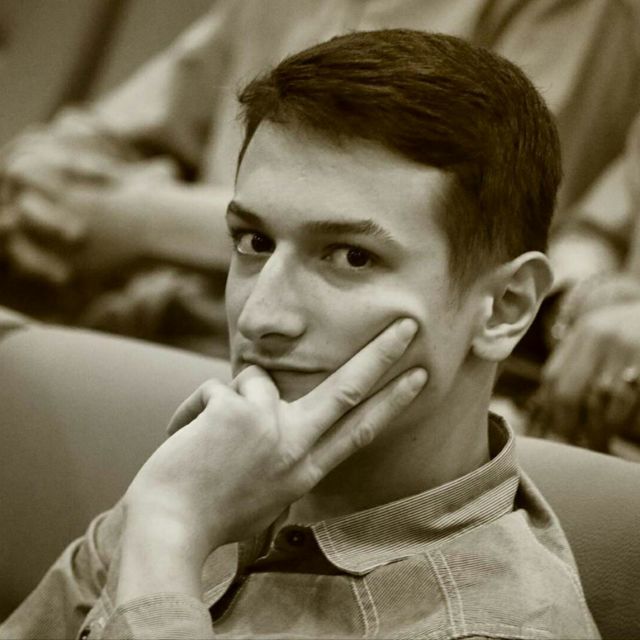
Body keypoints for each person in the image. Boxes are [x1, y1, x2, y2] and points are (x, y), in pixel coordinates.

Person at [0, 30, 599, 639]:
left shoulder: (500, 628)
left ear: (504, 308)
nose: (260, 317)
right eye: (255, 243)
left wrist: (168, 537)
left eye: (351, 257)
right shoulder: (215, 479)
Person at [0, 0, 638, 341]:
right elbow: (86, 144)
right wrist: (41, 183)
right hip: (146, 324)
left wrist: (139, 222)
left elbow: (457, 230)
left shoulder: (572, 9)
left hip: (316, 365)